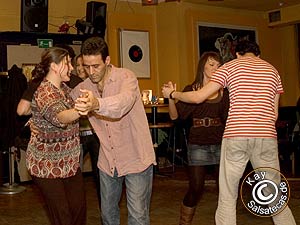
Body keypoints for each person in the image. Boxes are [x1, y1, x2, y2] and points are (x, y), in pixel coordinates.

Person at [162, 40, 296, 225]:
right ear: (258, 54)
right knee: (274, 194)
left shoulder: (231, 67)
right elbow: (274, 114)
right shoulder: (272, 71)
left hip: (237, 136)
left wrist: (172, 94)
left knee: (227, 196)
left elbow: (199, 96)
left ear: (237, 54)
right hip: (266, 136)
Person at [70, 36, 156, 225]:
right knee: (108, 216)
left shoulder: (126, 77)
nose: (91, 72)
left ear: (107, 61)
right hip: (108, 160)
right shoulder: (84, 87)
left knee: (138, 218)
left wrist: (96, 104)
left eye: (96, 66)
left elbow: (123, 103)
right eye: (86, 66)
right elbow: (63, 102)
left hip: (137, 158)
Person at [26, 47, 86, 225]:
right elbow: (61, 117)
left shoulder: (66, 89)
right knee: (63, 216)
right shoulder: (44, 92)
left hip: (69, 163)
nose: (72, 68)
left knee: (79, 210)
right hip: (45, 165)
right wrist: (80, 110)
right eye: (67, 63)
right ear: (54, 66)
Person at [167, 51, 229, 225]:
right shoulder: (191, 89)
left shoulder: (224, 92)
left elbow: (227, 119)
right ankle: (184, 222)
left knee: (225, 189)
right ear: (202, 66)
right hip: (198, 144)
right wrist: (171, 97)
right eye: (211, 64)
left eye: (218, 65)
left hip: (219, 142)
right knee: (196, 188)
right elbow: (175, 117)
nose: (215, 68)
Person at [74, 53, 101, 210]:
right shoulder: (73, 85)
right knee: (75, 172)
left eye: (81, 65)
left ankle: (105, 208)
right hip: (78, 136)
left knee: (99, 175)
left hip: (95, 135)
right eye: (77, 65)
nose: (79, 69)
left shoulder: (95, 85)